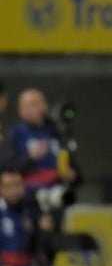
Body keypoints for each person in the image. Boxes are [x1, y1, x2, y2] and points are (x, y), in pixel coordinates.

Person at [0, 88, 82, 229]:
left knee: (52, 242)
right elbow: (4, 166)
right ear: (21, 110)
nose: (40, 107)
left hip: (56, 197)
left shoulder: (56, 133)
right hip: (26, 201)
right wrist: (30, 157)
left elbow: (76, 171)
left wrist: (72, 175)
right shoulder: (14, 134)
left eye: (42, 102)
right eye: (33, 104)